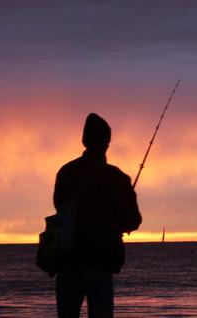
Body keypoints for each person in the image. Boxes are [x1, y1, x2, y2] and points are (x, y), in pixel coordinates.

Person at [52, 113, 142, 318]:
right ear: (107, 143)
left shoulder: (65, 172)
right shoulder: (117, 177)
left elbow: (59, 207)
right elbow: (133, 220)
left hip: (67, 261)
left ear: (84, 140)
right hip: (100, 262)